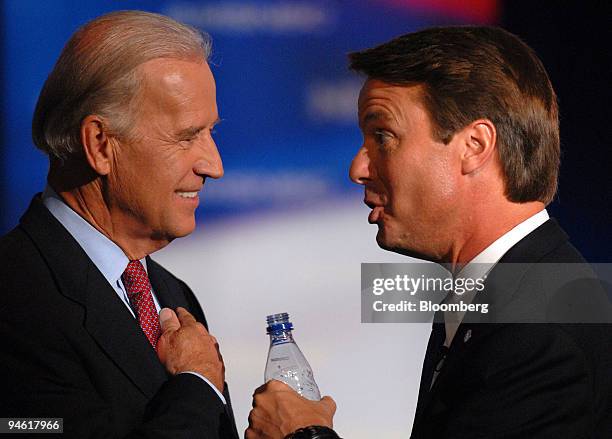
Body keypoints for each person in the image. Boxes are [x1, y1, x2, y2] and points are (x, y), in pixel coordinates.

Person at [246, 26, 612, 438]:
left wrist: (304, 435)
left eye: (383, 136)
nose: (358, 168)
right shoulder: (498, 299)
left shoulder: (541, 333)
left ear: (474, 145)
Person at [0, 11, 239, 438]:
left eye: (211, 133)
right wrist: (198, 384)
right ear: (100, 145)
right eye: (187, 136)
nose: (214, 166)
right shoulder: (14, 295)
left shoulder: (172, 294)